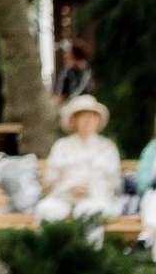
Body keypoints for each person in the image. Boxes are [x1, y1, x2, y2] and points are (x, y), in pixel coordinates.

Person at [38, 92, 126, 224]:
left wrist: (89, 187)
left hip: (95, 198)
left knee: (89, 211)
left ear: (97, 120)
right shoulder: (61, 146)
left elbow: (114, 182)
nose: (88, 120)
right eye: (83, 116)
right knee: (46, 209)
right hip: (64, 197)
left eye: (92, 116)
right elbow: (50, 179)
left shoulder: (107, 147)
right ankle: (51, 245)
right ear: (74, 121)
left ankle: (87, 246)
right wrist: (70, 186)